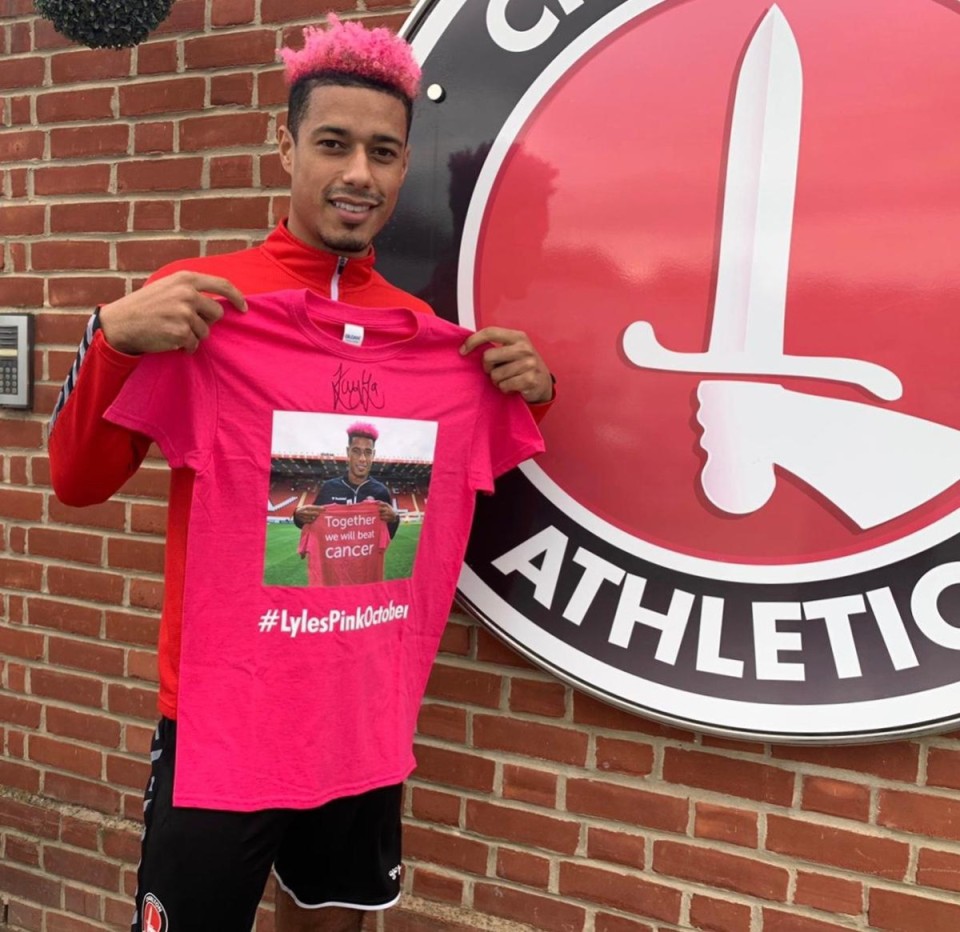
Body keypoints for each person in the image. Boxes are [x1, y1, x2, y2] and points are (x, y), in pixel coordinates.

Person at [48, 15, 552, 932]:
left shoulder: (437, 345)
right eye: (332, 143)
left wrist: (529, 397)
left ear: (403, 166)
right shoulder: (205, 305)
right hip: (221, 719)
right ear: (285, 148)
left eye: (383, 152)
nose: (359, 173)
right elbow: (76, 483)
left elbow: (470, 468)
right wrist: (112, 339)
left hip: (358, 725)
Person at [294, 421, 399, 536]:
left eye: (368, 452)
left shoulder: (381, 492)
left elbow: (389, 534)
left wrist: (394, 519)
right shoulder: (329, 488)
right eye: (356, 451)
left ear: (373, 455)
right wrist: (297, 517)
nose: (362, 459)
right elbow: (311, 522)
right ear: (348, 452)